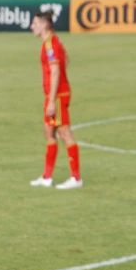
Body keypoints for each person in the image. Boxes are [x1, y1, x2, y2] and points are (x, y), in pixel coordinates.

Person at [29, 11, 82, 190]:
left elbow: (56, 70)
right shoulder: (53, 41)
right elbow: (65, 60)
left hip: (57, 96)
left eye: (34, 23)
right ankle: (47, 177)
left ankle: (76, 178)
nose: (32, 27)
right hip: (54, 94)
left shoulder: (50, 44)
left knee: (64, 133)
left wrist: (52, 100)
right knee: (48, 132)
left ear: (44, 25)